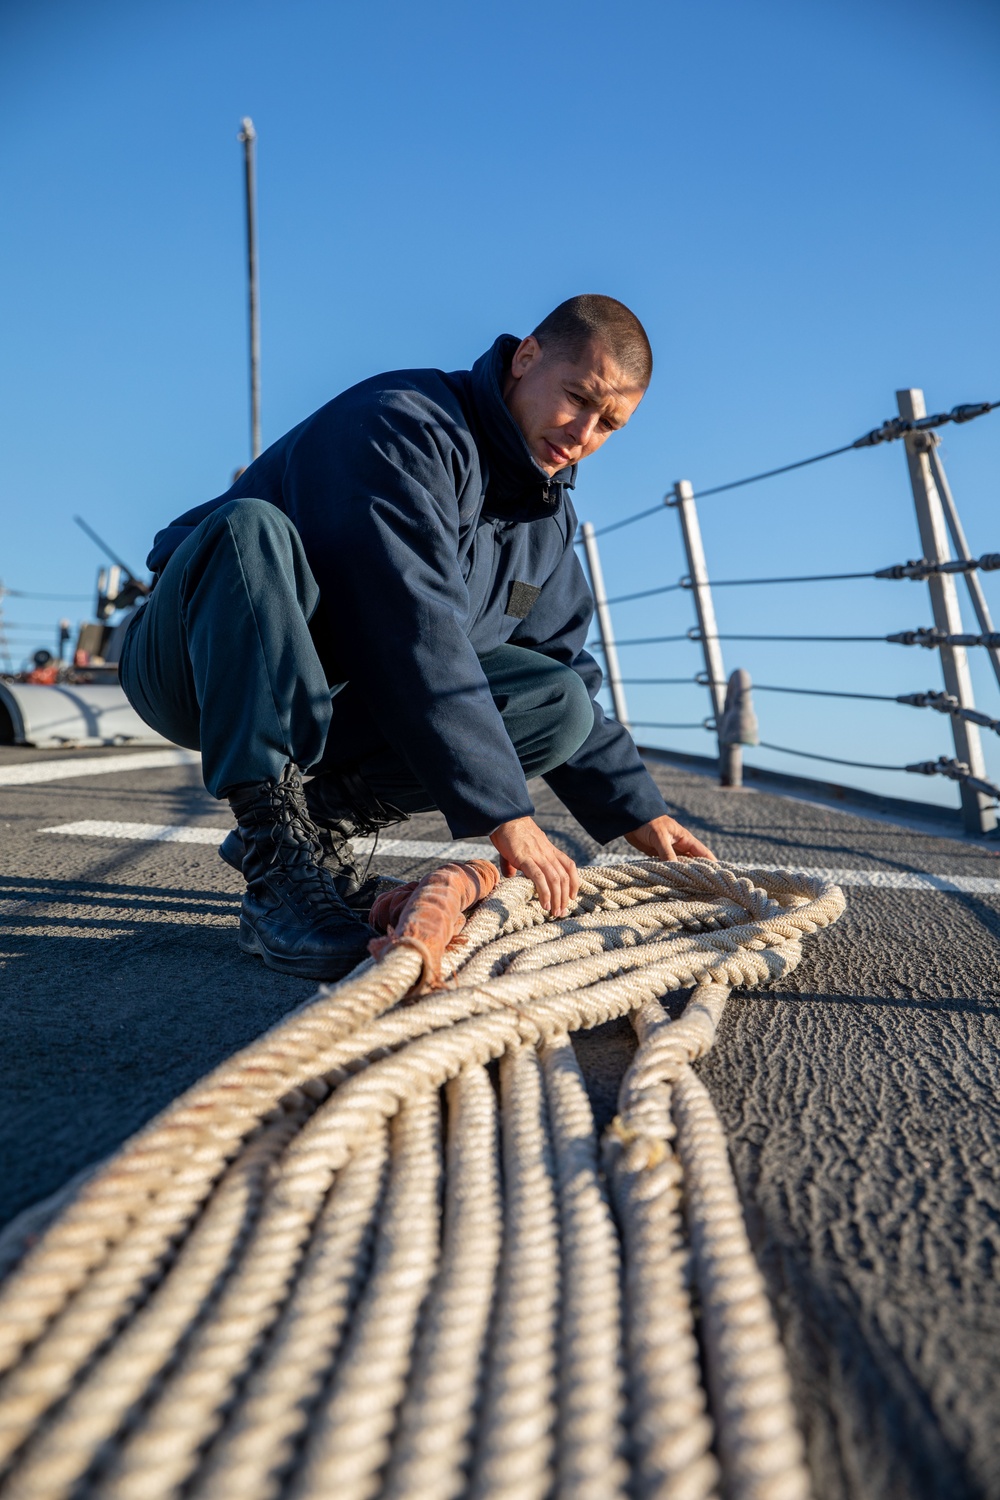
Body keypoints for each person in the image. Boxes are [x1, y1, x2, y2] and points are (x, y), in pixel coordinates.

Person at [121, 294, 714, 981]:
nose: (584, 432)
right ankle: (276, 863)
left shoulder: (545, 521)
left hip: (331, 696)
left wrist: (639, 812)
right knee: (247, 528)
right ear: (526, 358)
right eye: (579, 397)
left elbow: (561, 666)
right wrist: (508, 818)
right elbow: (412, 623)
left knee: (558, 703)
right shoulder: (403, 425)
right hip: (195, 665)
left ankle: (314, 825)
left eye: (609, 423)